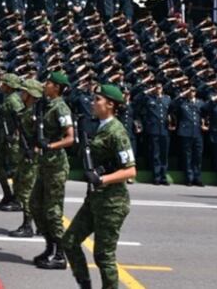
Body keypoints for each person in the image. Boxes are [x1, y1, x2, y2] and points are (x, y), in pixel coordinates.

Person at [64, 83, 136, 289]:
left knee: (103, 256)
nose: (92, 103)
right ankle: (85, 284)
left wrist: (101, 179)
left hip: (112, 202)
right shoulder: (99, 126)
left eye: (98, 100)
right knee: (69, 241)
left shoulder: (117, 132)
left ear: (110, 105)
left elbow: (130, 170)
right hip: (95, 198)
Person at [30, 71, 76, 270]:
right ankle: (50, 246)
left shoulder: (61, 108)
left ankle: (60, 254)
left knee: (53, 210)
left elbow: (70, 138)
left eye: (48, 82)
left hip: (56, 165)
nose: (44, 84)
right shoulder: (46, 105)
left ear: (56, 87)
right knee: (35, 204)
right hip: (44, 164)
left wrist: (49, 146)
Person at [9, 79, 43, 238]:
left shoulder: (36, 113)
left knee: (27, 192)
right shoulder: (26, 111)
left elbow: (41, 136)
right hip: (26, 154)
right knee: (25, 190)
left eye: (24, 92)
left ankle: (28, 225)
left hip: (33, 157)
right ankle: (39, 224)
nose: (21, 94)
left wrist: (34, 149)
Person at [0, 74, 24, 210]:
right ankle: (8, 194)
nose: (1, 86)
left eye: (3, 84)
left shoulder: (14, 100)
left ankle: (18, 199)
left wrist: (16, 134)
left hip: (14, 140)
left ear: (9, 86)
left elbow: (21, 119)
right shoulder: (6, 97)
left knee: (16, 170)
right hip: (6, 137)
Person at [133, 85, 170, 185]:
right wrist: (148, 90)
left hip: (164, 130)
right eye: (156, 88)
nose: (158, 89)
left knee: (164, 155)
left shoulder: (167, 99)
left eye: (160, 87)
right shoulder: (149, 98)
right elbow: (136, 99)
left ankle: (163, 176)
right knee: (155, 154)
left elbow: (173, 108)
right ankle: (157, 177)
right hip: (153, 130)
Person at [170, 89, 204, 186]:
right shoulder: (182, 102)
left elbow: (206, 109)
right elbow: (172, 105)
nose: (191, 92)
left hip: (197, 132)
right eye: (189, 91)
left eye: (193, 91)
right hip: (186, 132)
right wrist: (182, 94)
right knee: (187, 157)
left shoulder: (200, 103)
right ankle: (189, 178)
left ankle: (197, 178)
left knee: (197, 156)